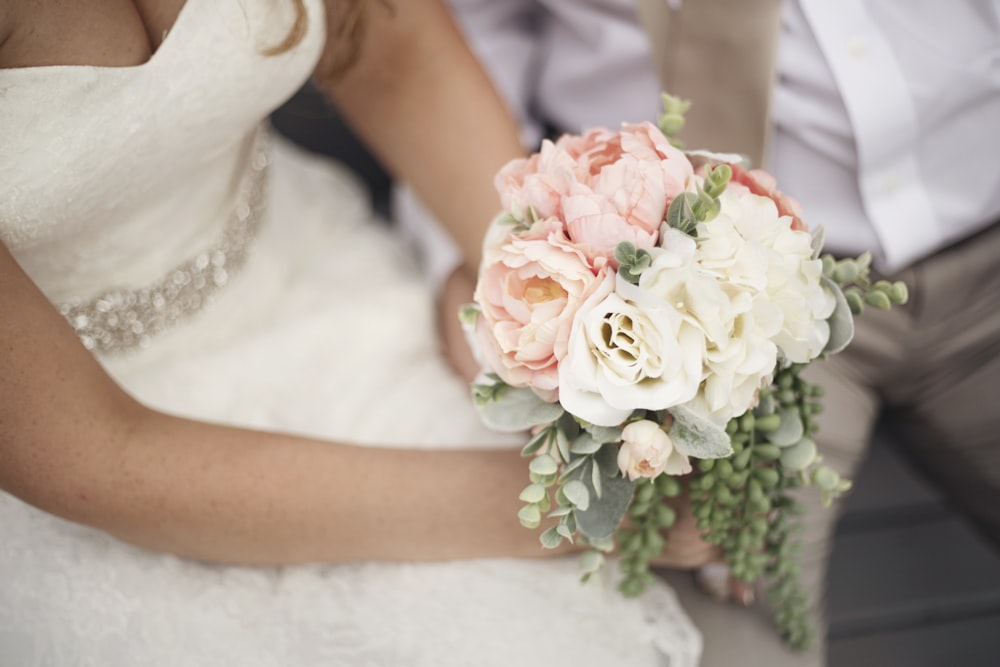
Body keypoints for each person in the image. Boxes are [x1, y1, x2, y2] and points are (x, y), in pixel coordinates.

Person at [0, 1, 710, 664]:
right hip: (83, 448)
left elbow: (384, 45)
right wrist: (567, 503)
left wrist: (561, 315)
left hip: (321, 279)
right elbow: (95, 454)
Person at [402, 0, 1000, 665]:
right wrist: (493, 255)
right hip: (686, 300)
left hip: (984, 210)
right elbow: (460, 32)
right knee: (712, 637)